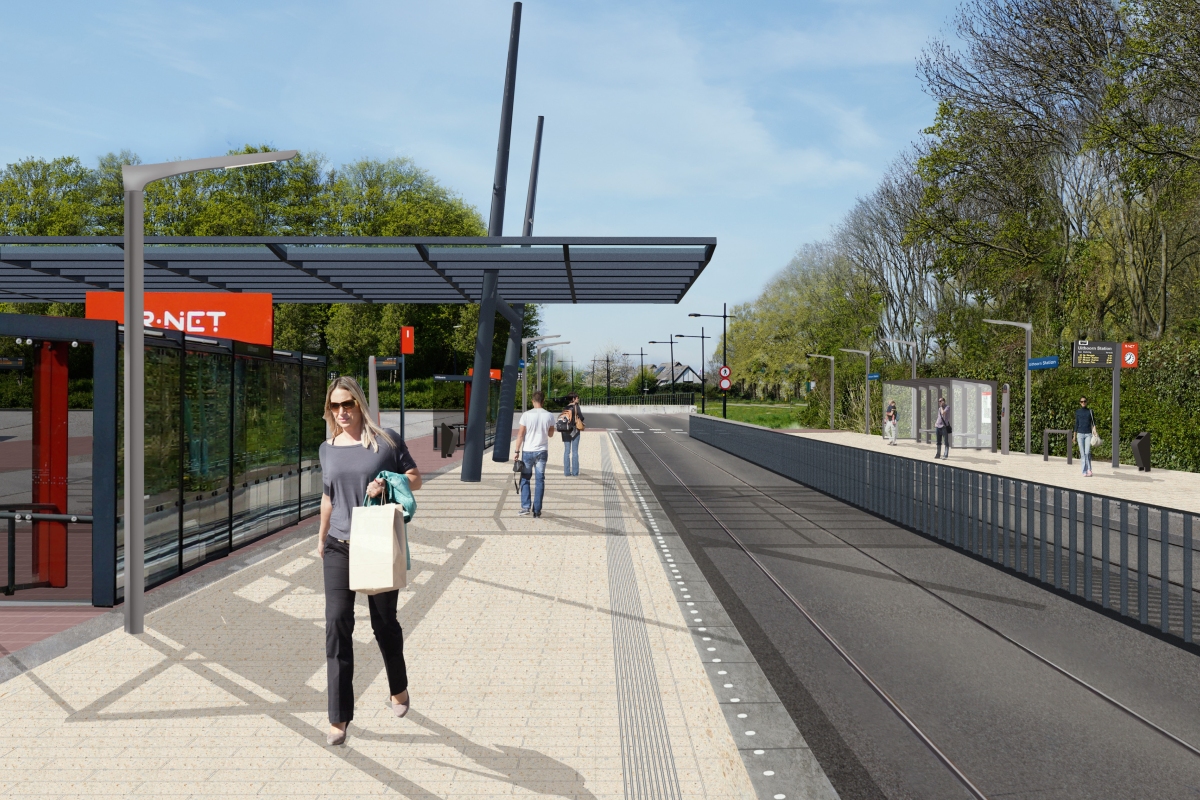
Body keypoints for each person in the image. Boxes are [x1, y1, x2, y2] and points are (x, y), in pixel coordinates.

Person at [318, 376, 422, 746]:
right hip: (338, 545)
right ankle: (339, 717)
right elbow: (329, 496)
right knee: (336, 623)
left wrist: (387, 481)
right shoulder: (326, 448)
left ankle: (398, 687)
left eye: (348, 404)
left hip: (375, 539)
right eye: (335, 406)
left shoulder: (386, 441)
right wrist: (321, 536)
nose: (342, 412)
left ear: (359, 404)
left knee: (383, 623)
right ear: (329, 409)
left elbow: (415, 478)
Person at [513, 391, 555, 517]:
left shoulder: (526, 415)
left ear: (532, 401)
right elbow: (551, 434)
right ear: (543, 401)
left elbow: (520, 434)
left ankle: (525, 507)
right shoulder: (549, 415)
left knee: (525, 478)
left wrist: (516, 451)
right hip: (542, 451)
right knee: (540, 480)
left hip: (527, 451)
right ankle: (537, 511)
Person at [558, 392, 586, 476]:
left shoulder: (565, 407)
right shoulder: (576, 407)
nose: (578, 399)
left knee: (566, 451)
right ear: (573, 399)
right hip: (574, 431)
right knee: (575, 451)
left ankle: (566, 472)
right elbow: (581, 417)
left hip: (565, 430)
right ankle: (575, 472)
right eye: (577, 398)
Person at [1076, 396, 1097, 477]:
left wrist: (1095, 432)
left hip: (1088, 434)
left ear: (1086, 402)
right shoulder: (1078, 412)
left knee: (1087, 452)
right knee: (1082, 454)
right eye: (1081, 401)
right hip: (1080, 434)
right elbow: (1076, 424)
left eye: (1084, 401)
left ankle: (1089, 469)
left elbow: (1093, 423)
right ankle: (1084, 470)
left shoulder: (1090, 411)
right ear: (1080, 403)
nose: (1083, 402)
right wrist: (1074, 436)